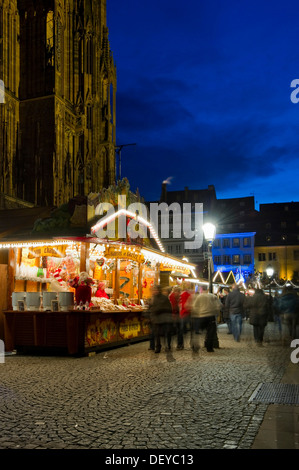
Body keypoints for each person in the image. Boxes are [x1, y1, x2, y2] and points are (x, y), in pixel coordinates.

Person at [191, 285, 222, 352]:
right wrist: (215, 312)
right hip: (211, 316)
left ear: (201, 289)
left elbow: (194, 307)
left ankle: (195, 346)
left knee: (197, 332)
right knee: (210, 332)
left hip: (201, 316)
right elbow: (219, 305)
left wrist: (196, 313)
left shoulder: (199, 297)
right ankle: (209, 347)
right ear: (207, 289)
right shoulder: (212, 296)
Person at [148, 285, 173, 353]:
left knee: (165, 333)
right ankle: (158, 347)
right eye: (154, 290)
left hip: (164, 319)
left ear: (159, 290)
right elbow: (151, 307)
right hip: (156, 319)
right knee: (157, 334)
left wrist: (157, 310)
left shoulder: (164, 298)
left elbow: (168, 308)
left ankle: (167, 345)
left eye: (156, 290)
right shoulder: (153, 298)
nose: (155, 291)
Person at [177, 283, 193, 350]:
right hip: (189, 313)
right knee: (192, 330)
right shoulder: (189, 295)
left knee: (180, 330)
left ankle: (180, 344)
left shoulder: (181, 295)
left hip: (182, 314)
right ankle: (192, 344)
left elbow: (179, 304)